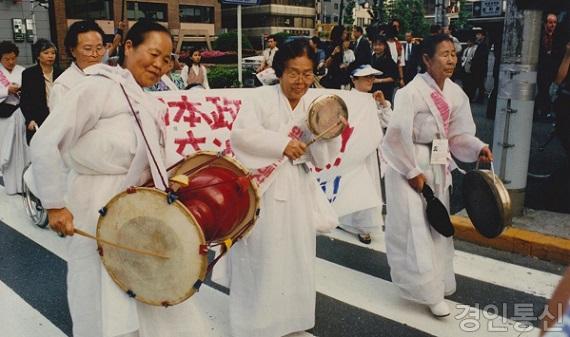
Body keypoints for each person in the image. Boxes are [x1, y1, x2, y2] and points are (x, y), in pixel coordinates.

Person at [30, 19, 207, 337]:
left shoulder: (147, 101)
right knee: (101, 301)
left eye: (167, 59)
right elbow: (45, 142)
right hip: (95, 207)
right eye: (153, 54)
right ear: (127, 47)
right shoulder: (98, 86)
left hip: (138, 214)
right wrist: (54, 204)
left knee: (151, 297)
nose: (159, 65)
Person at [228, 39, 341, 337]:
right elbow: (242, 136)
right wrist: (282, 144)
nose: (300, 81)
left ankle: (292, 322)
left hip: (297, 188)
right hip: (263, 188)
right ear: (279, 71)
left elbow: (323, 155)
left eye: (307, 73)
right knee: (261, 256)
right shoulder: (259, 99)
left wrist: (332, 131)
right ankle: (254, 325)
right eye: (293, 73)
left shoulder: (316, 104)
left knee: (297, 255)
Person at [381, 34, 493, 318]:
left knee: (437, 225)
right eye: (444, 54)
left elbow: (457, 136)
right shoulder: (410, 93)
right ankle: (428, 294)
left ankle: (438, 281)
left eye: (453, 54)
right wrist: (410, 170)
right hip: (410, 162)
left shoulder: (456, 93)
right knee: (416, 228)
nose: (451, 59)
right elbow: (395, 137)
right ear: (427, 60)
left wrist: (478, 147)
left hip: (438, 161)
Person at [337, 64, 392, 244]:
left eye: (372, 77)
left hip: (369, 153)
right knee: (348, 185)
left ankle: (364, 227)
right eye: (365, 77)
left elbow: (390, 123)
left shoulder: (374, 100)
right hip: (349, 150)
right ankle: (343, 219)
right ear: (354, 80)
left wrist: (383, 104)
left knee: (368, 186)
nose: (370, 81)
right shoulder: (345, 100)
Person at [49, 20, 106, 111]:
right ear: (72, 51)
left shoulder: (108, 77)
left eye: (99, 48)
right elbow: (61, 123)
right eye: (88, 49)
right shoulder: (63, 86)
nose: (95, 54)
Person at [20, 39, 62, 145]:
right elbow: (25, 100)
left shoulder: (61, 73)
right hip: (39, 118)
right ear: (38, 56)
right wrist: (29, 119)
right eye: (46, 53)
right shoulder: (29, 74)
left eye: (53, 53)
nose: (50, 56)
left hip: (58, 116)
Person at [0, 40, 26, 195]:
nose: (11, 62)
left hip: (19, 115)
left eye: (13, 58)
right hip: (3, 117)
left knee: (21, 149)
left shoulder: (22, 70)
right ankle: (9, 182)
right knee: (6, 150)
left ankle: (22, 181)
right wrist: (7, 90)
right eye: (6, 59)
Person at [536, 13, 559, 118]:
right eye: (550, 22)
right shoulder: (540, 36)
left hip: (551, 69)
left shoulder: (557, 38)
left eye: (554, 22)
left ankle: (540, 109)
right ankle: (544, 110)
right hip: (541, 67)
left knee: (544, 90)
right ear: (545, 24)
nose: (552, 25)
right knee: (543, 89)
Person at [322, 25, 347, 89]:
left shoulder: (341, 45)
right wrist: (334, 53)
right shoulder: (331, 46)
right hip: (332, 78)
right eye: (344, 33)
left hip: (338, 77)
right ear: (339, 34)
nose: (346, 35)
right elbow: (326, 64)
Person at [471, 29, 489, 102]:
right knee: (478, 82)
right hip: (479, 67)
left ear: (483, 36)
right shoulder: (479, 44)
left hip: (480, 67)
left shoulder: (484, 45)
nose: (477, 36)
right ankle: (478, 97)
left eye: (479, 35)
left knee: (480, 83)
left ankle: (480, 98)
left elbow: (481, 56)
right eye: (477, 35)